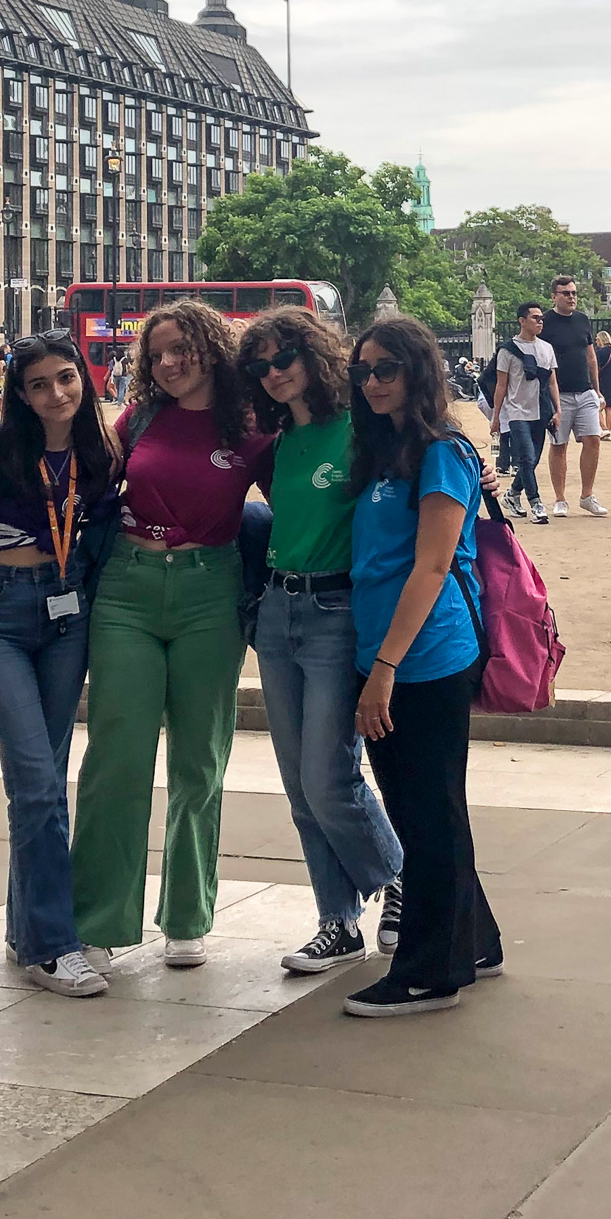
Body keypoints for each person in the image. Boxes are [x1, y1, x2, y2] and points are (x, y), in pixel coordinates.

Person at [71, 300, 272, 970]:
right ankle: (98, 919)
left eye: (180, 347)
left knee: (199, 761)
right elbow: (87, 472)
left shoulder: (249, 427)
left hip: (208, 590)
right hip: (127, 586)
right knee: (115, 758)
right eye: (156, 353)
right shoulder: (143, 415)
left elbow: (304, 494)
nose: (168, 362)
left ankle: (187, 915)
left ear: (211, 346)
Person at [0, 331, 120, 996]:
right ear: (19, 395)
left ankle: (28, 930)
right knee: (34, 780)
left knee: (47, 776)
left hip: (66, 612)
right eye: (40, 384)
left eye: (66, 378)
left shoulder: (99, 453)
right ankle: (53, 944)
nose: (57, 394)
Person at [342, 315, 502, 1017]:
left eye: (386, 369)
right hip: (388, 650)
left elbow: (433, 565)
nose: (372, 382)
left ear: (417, 371)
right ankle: (476, 940)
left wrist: (383, 668)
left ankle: (428, 972)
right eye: (364, 370)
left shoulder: (441, 452)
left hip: (423, 658)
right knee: (428, 809)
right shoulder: (383, 450)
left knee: (425, 815)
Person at [239, 307, 403, 975]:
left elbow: (422, 463)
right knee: (298, 787)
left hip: (336, 612)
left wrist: (477, 473)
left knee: (329, 778)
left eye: (285, 359)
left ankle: (399, 878)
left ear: (313, 357)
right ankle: (336, 920)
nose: (275, 374)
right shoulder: (277, 445)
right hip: (278, 611)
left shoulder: (358, 432)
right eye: (262, 366)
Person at [542, 276, 607, 518]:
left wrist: (597, 390)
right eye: (566, 293)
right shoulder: (545, 322)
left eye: (574, 293)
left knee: (593, 440)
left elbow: (591, 356)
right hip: (559, 394)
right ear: (554, 296)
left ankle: (587, 495)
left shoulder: (582, 320)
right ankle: (560, 498)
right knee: (559, 445)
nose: (571, 297)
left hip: (585, 390)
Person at [493, 302, 555, 526]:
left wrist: (557, 411)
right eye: (535, 318)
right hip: (517, 411)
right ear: (522, 321)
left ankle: (512, 494)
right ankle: (536, 503)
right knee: (526, 458)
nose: (540, 321)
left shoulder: (547, 348)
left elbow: (552, 382)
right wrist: (496, 417)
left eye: (541, 318)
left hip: (541, 410)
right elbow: (501, 385)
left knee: (534, 460)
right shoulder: (507, 351)